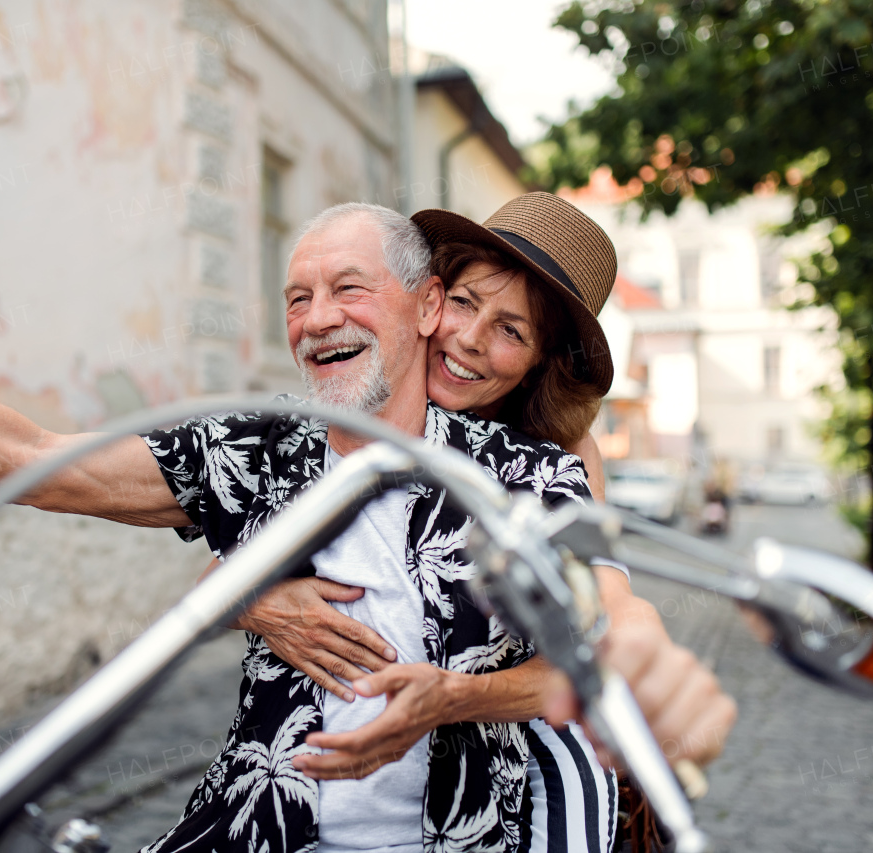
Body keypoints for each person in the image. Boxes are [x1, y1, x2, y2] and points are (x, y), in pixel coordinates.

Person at [0, 201, 731, 853]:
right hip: (256, 825)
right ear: (436, 302)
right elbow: (12, 456)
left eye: (346, 289)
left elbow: (608, 632)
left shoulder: (527, 470)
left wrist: (457, 697)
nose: (317, 315)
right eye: (297, 296)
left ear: (410, 307)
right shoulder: (260, 446)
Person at [216, 195, 729, 853]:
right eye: (464, 302)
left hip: (531, 723)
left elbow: (609, 600)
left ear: (543, 361)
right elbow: (223, 571)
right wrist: (262, 597)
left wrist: (640, 646)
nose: (469, 339)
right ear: (430, 299)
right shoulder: (370, 398)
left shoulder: (561, 458)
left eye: (511, 330)